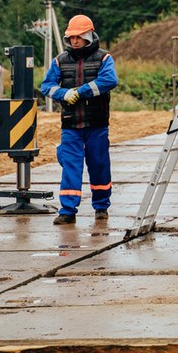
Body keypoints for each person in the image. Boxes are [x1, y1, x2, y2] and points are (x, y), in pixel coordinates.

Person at [40, 15, 118, 225]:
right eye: (71, 37)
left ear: (88, 36)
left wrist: (81, 91)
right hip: (71, 125)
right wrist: (63, 93)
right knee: (70, 167)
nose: (74, 41)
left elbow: (110, 80)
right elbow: (46, 86)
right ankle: (67, 210)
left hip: (97, 123)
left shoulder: (104, 58)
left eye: (78, 37)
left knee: (99, 165)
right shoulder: (59, 60)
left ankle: (101, 207)